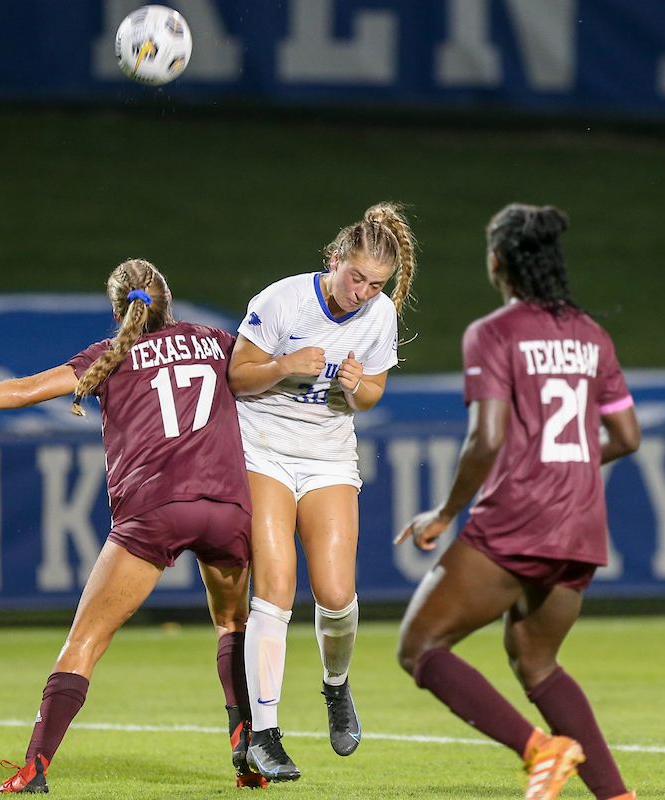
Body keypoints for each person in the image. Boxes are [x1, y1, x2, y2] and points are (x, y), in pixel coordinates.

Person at [0, 260, 267, 792]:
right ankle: (244, 738)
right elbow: (262, 376)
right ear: (171, 300)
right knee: (232, 625)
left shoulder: (110, 356)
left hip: (155, 508)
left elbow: (23, 391)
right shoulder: (216, 341)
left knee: (86, 642)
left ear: (118, 308)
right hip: (226, 506)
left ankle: (35, 768)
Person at [395, 204, 641, 800]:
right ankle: (618, 797)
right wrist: (572, 461)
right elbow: (628, 437)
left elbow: (486, 438)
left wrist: (446, 514)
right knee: (536, 664)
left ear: (498, 262)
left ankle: (540, 751)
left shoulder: (495, 332)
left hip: (519, 520)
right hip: (581, 527)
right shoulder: (591, 335)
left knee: (420, 647)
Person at [226, 202, 418, 781]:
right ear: (334, 260)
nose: (361, 292)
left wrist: (360, 389)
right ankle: (265, 734)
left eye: (375, 283)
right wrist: (285, 365)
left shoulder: (380, 314)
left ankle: (335, 688)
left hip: (328, 455)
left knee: (336, 595)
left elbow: (373, 393)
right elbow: (237, 376)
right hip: (263, 448)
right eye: (355, 276)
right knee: (277, 586)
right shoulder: (281, 300)